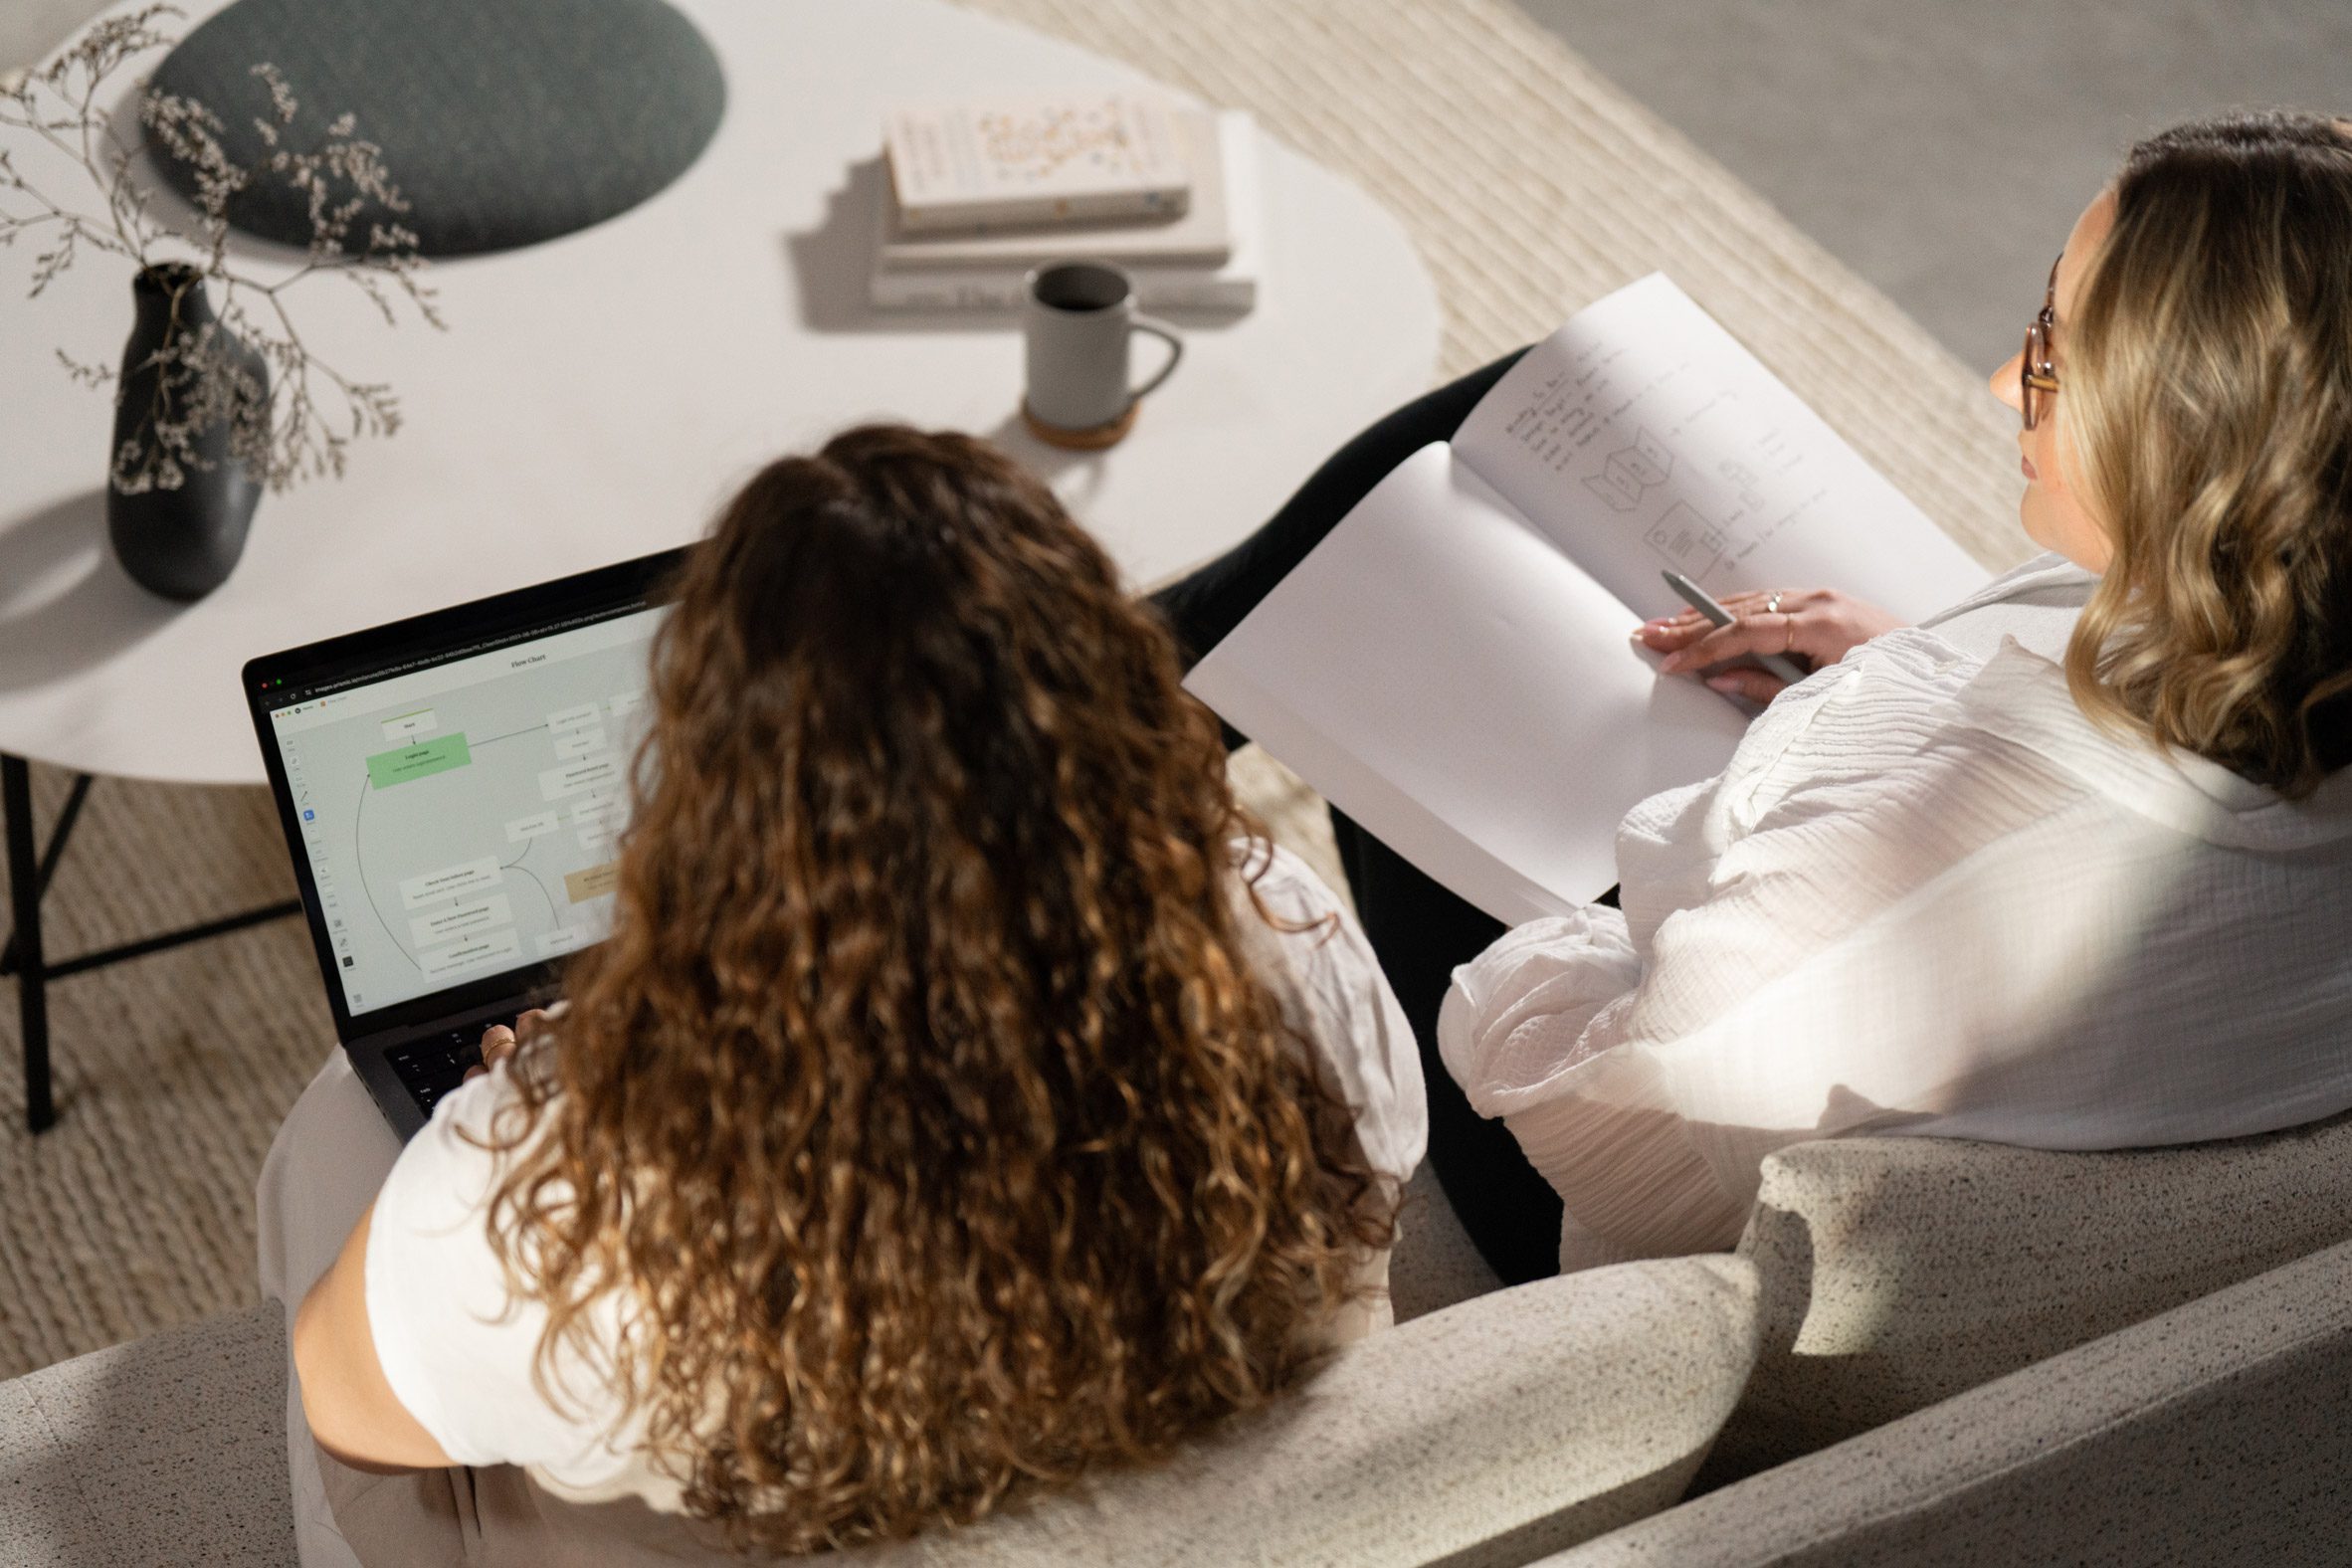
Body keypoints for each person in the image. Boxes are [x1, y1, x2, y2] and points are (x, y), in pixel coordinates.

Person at [1155, 109, 2352, 1283]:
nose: (2001, 383)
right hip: (1829, 1003)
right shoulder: (2285, 642)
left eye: (2052, 349)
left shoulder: (1943, 865)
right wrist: (1913, 658)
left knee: (1404, 613)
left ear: (2191, 439)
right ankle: (1133, 683)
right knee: (1534, 405)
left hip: (1569, 1188)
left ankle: (1110, 715)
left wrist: (1718, 813)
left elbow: (1585, 1099)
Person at [257, 426, 1425, 1566]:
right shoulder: (1284, 940)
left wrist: (514, 1107)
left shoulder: (574, 1189)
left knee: (335, 1132)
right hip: (1229, 1520)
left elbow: (340, 1401)